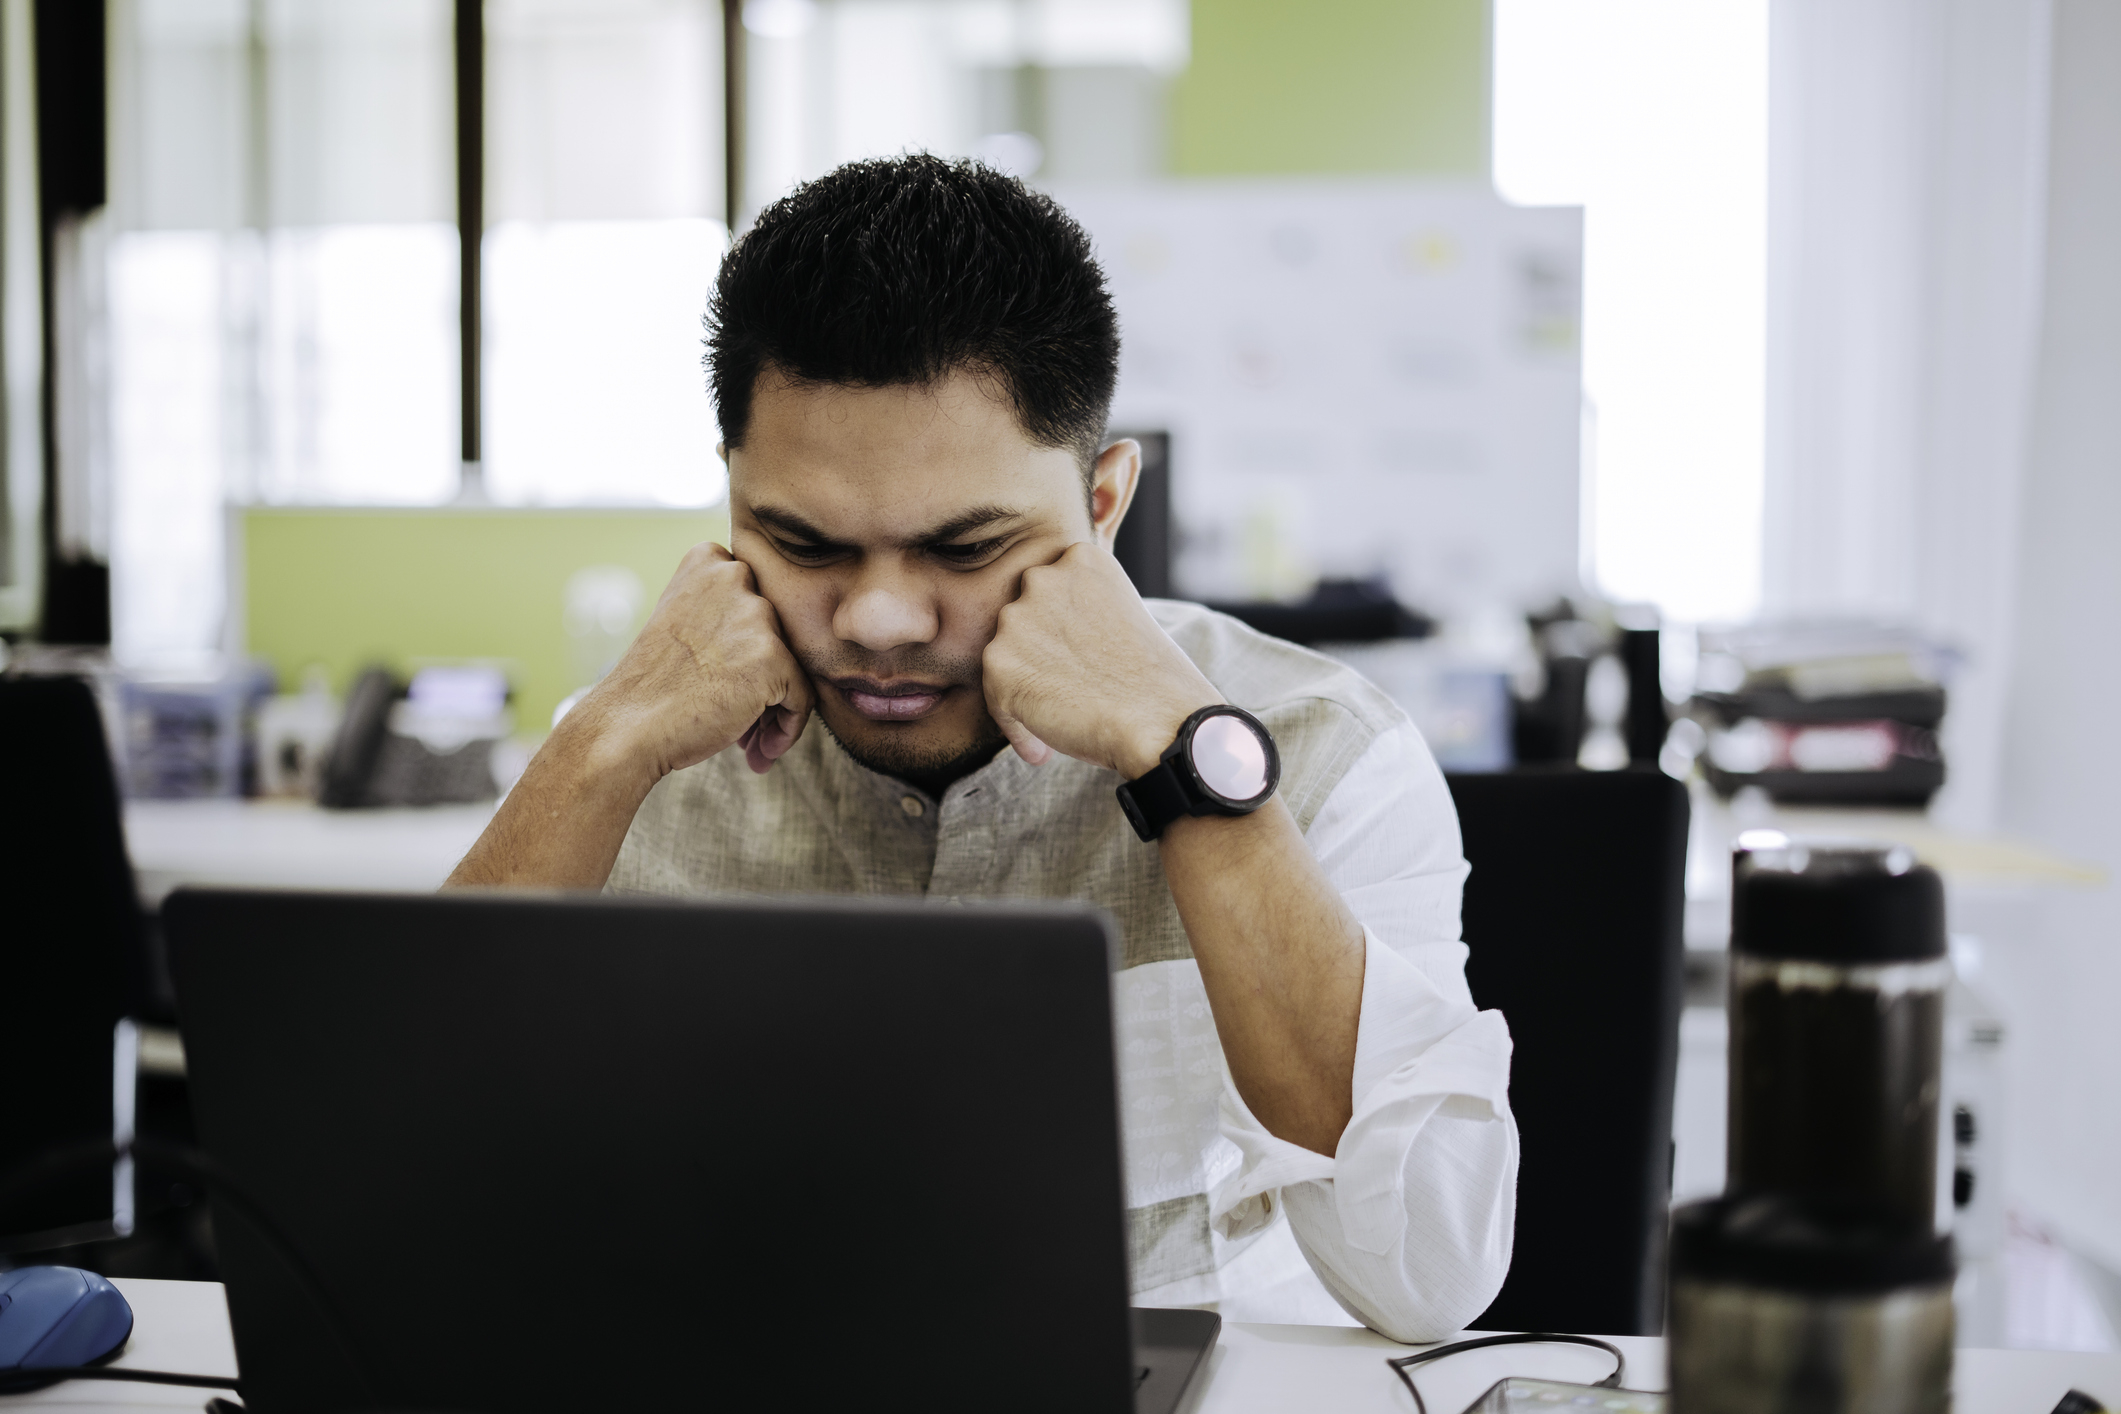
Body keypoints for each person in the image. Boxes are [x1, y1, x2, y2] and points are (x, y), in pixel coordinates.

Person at [449, 154, 1516, 1341]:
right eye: (803, 543)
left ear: (1103, 504)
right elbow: (391, 1191)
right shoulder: (634, 750)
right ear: (734, 501)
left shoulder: (1324, 750)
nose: (879, 621)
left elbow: (1427, 1275)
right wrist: (597, 749)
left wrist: (1182, 755)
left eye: (965, 548)